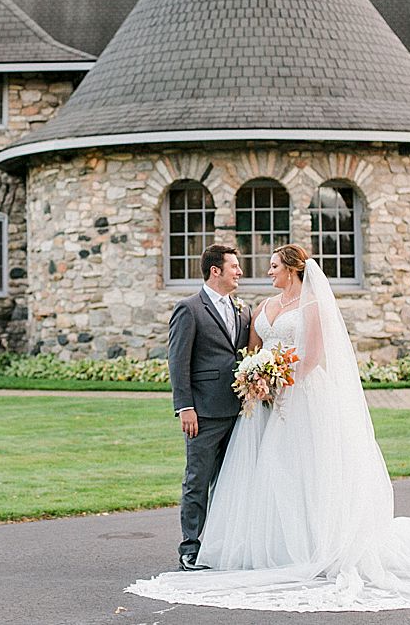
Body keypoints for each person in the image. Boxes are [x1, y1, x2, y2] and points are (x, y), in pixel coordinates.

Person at [130, 244, 410, 612]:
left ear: (293, 269)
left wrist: (278, 382)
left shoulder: (285, 306)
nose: (261, 271)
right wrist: (248, 382)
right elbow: (242, 353)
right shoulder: (239, 307)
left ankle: (299, 547)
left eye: (273, 266)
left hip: (296, 397)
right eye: (239, 266)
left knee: (294, 471)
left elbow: (311, 356)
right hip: (252, 403)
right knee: (232, 476)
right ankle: (201, 548)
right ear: (217, 271)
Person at [166, 244, 251, 572]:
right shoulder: (190, 309)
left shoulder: (243, 309)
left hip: (240, 411)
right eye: (234, 267)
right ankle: (190, 548)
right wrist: (185, 406)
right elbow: (178, 361)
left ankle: (223, 545)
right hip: (202, 412)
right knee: (197, 479)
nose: (239, 272)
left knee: (233, 480)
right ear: (215, 271)